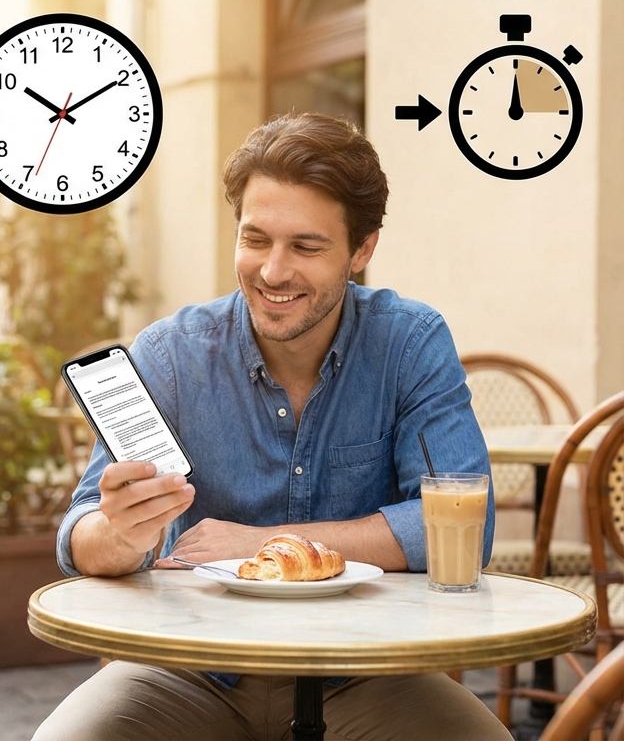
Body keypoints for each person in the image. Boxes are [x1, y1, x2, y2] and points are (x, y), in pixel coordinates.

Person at [32, 113, 510, 740]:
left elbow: (462, 527)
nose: (273, 271)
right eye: (255, 239)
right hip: (190, 667)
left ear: (362, 250)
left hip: (364, 670)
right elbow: (79, 536)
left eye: (306, 247)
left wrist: (263, 547)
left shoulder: (408, 344)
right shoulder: (171, 355)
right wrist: (122, 535)